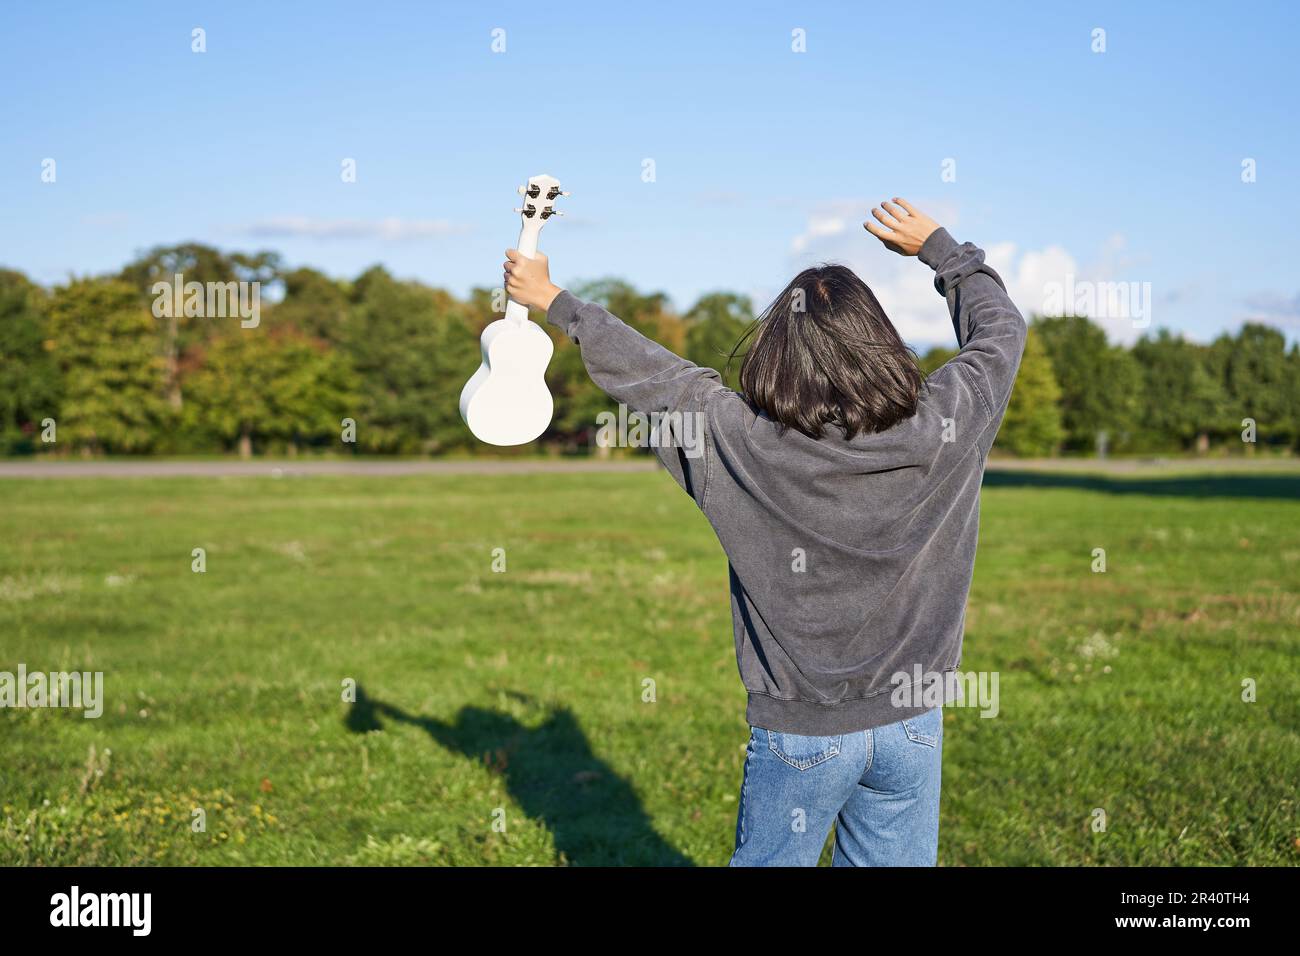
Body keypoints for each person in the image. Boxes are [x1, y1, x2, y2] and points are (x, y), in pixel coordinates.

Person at [502, 198, 1027, 866]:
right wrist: (944, 252)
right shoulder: (950, 424)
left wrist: (557, 302)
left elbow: (662, 382)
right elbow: (1000, 335)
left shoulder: (741, 446)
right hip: (913, 723)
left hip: (800, 734)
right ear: (882, 343)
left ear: (778, 356)